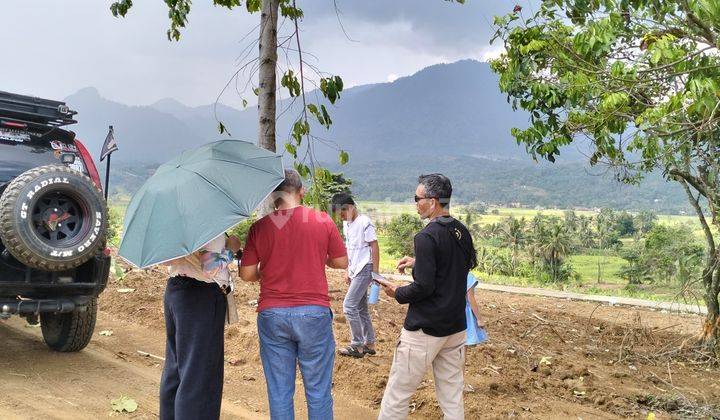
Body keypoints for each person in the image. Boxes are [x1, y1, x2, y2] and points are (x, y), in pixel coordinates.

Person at [239, 169, 348, 420]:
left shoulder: (260, 227)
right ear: (302, 191)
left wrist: (263, 274)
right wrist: (322, 258)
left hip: (272, 313)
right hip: (314, 313)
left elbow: (246, 274)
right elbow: (341, 262)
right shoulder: (322, 220)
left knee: (279, 391)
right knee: (319, 390)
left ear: (273, 196)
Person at [376, 173, 477, 420]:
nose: (415, 203)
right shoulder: (460, 231)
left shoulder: (426, 236)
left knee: (397, 394)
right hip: (455, 327)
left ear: (432, 201)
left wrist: (396, 292)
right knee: (451, 395)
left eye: (417, 198)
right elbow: (461, 264)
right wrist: (418, 262)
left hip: (425, 329)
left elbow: (424, 288)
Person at [160, 233, 243, 420]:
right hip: (200, 296)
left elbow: (165, 259)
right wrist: (231, 249)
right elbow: (209, 265)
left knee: (177, 369)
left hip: (176, 291)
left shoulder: (176, 219)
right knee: (199, 376)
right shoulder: (207, 222)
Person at [331, 192, 380, 358]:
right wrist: (347, 270)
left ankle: (357, 345)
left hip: (365, 268)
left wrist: (376, 273)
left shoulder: (365, 222)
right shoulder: (348, 225)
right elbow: (349, 248)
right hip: (355, 268)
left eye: (343, 213)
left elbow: (374, 246)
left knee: (349, 306)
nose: (342, 217)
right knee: (360, 308)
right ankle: (370, 343)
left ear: (350, 207)